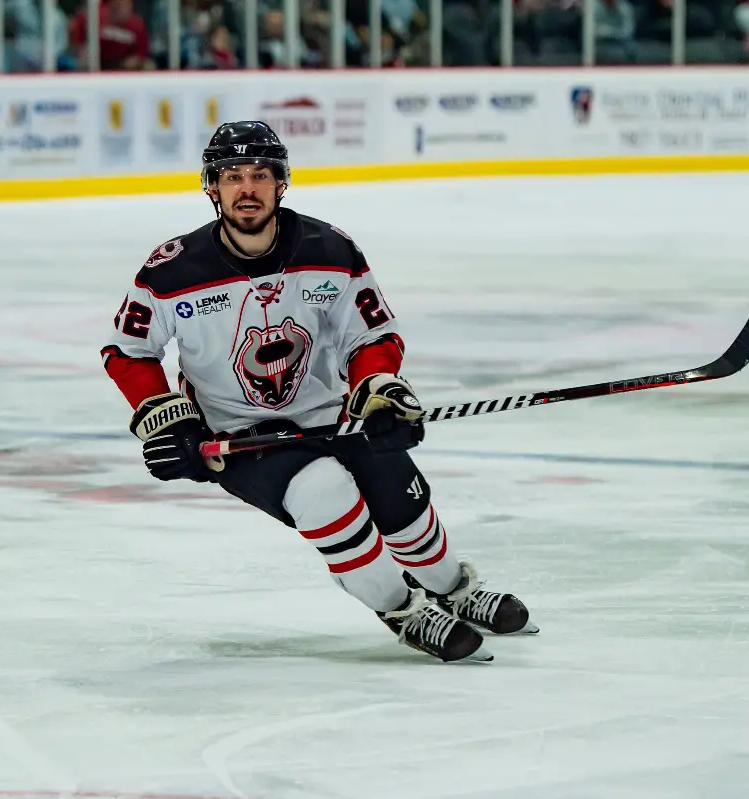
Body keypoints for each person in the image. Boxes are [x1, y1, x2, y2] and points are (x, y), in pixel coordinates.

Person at [101, 121, 537, 664]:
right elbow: (128, 352)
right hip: (242, 436)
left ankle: (454, 589)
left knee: (401, 499)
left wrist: (378, 389)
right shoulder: (172, 270)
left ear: (282, 182)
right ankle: (403, 608)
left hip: (331, 413)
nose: (248, 189)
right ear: (211, 186)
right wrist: (170, 422)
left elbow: (371, 335)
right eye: (233, 176)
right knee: (325, 491)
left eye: (261, 175)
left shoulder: (329, 248)